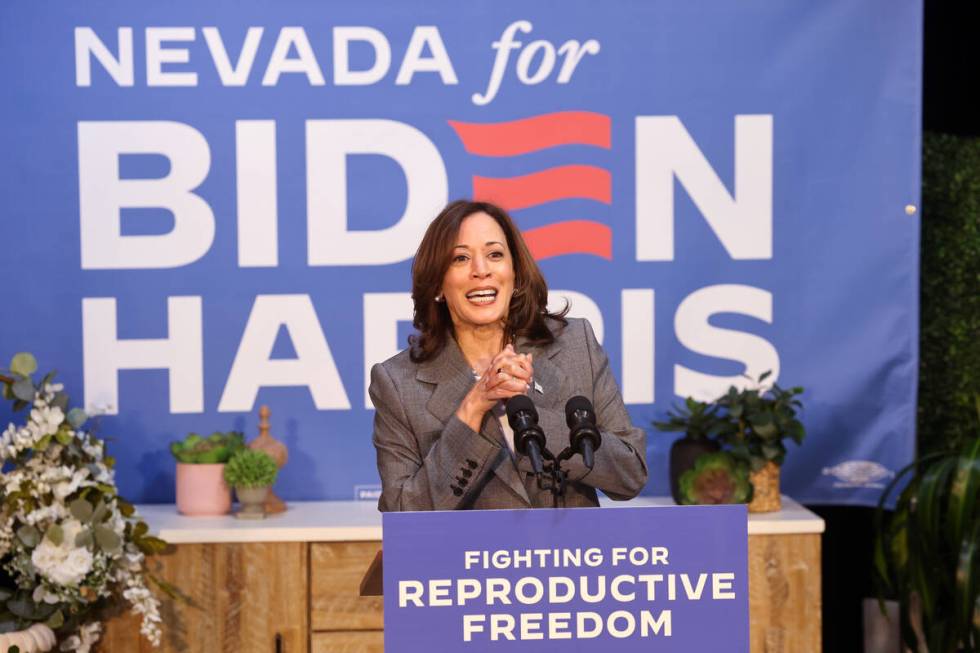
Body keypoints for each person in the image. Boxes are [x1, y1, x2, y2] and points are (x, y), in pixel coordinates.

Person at [370, 200, 647, 510]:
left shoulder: (573, 344)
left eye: (495, 255)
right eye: (460, 258)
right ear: (437, 284)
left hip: (572, 555)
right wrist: (473, 409)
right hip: (469, 557)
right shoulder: (397, 382)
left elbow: (630, 473)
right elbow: (403, 512)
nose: (481, 270)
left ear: (514, 272)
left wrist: (530, 418)